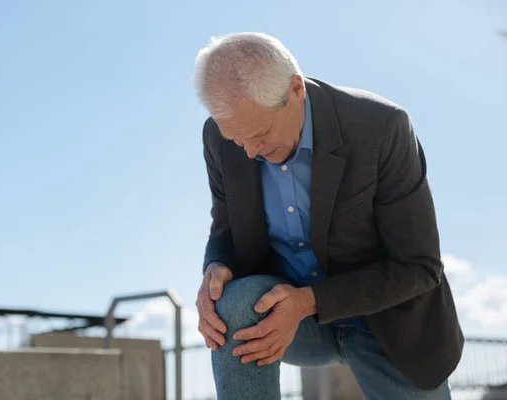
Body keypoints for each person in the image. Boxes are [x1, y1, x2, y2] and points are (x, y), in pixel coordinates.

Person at [193, 32, 463, 400]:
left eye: (260, 133)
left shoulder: (382, 128)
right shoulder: (220, 138)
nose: (251, 152)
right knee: (234, 305)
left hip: (387, 321)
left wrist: (309, 300)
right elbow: (224, 230)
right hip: (291, 322)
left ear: (295, 90)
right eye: (239, 140)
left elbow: (420, 266)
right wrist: (216, 267)